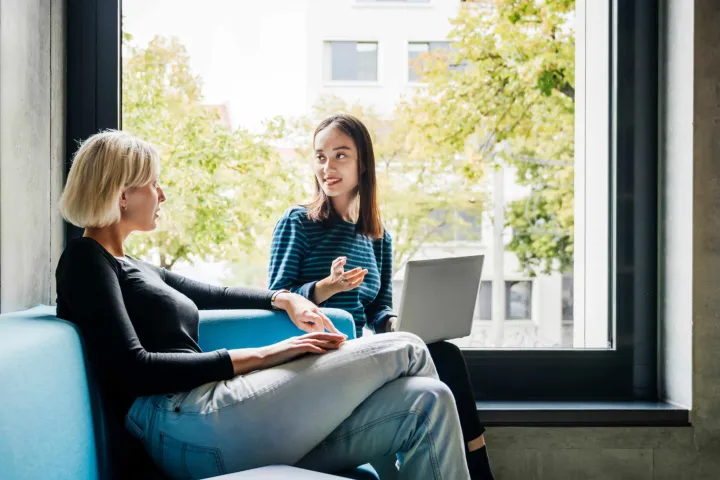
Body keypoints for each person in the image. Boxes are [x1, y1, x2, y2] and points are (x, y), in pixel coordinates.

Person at [55, 130, 470, 480]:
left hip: (212, 417)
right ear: (122, 194)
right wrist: (268, 355)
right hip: (185, 422)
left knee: (427, 402)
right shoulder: (85, 259)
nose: (161, 195)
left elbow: (217, 295)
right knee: (408, 346)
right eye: (152, 184)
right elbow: (134, 369)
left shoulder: (134, 265)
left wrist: (286, 297)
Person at [268, 113, 495, 480]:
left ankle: (476, 466)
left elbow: (378, 308)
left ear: (363, 164)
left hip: (361, 354)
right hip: (318, 358)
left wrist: (395, 324)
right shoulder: (297, 222)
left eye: (340, 155)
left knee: (445, 354)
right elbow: (274, 295)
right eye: (320, 156)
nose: (328, 167)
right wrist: (327, 288)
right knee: (437, 366)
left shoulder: (378, 236)